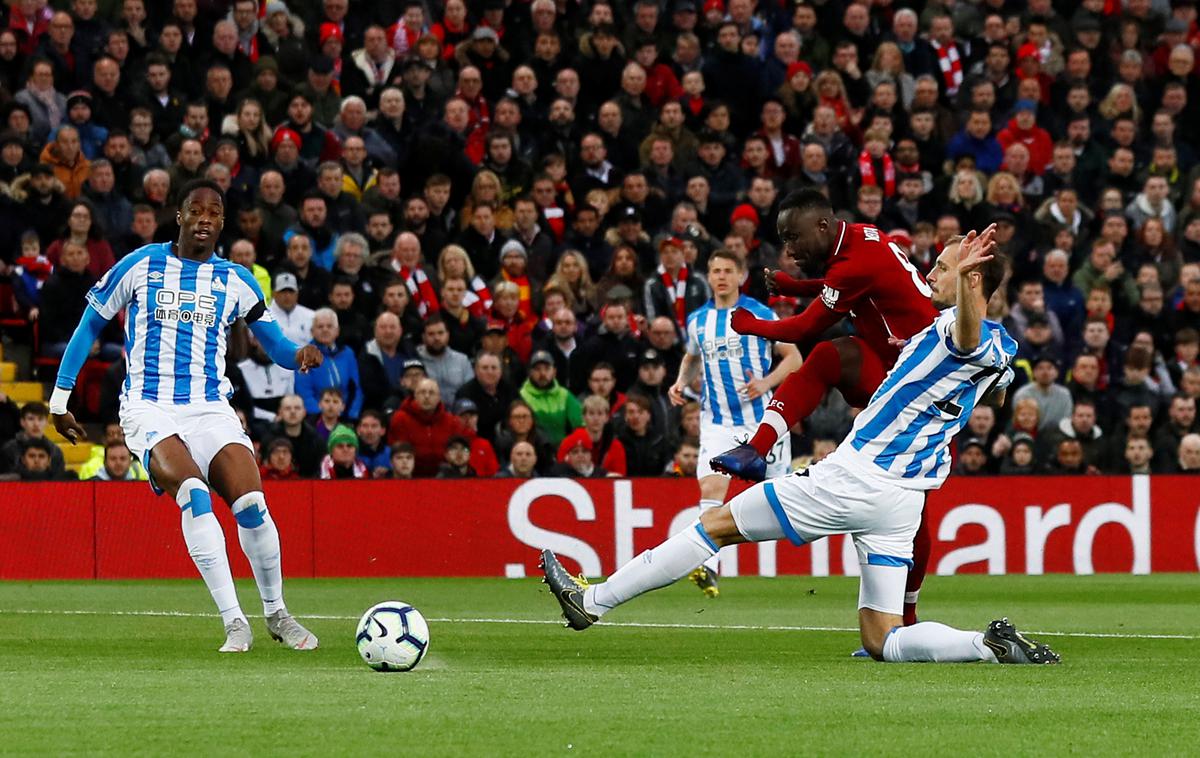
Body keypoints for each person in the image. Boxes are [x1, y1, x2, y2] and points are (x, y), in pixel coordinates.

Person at [542, 228, 1062, 666]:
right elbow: (981, 354)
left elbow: (965, 335)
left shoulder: (957, 328)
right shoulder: (1003, 349)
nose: (930, 274)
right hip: (901, 500)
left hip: (855, 478)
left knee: (714, 525)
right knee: (881, 638)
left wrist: (969, 284)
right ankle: (986, 644)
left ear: (972, 281)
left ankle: (591, 601)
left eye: (944, 268)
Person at [48, 179, 322, 653]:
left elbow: (272, 342)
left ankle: (277, 613)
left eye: (213, 212)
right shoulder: (140, 264)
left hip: (211, 406)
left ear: (222, 221)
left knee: (252, 506)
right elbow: (90, 324)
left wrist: (298, 354)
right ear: (179, 216)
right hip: (149, 407)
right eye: (195, 210)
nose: (204, 218)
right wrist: (60, 398)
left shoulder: (236, 279)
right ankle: (235, 622)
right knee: (194, 495)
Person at [710, 188, 938, 625]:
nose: (790, 250)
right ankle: (755, 449)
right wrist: (798, 285)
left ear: (822, 226)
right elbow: (843, 286)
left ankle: (907, 616)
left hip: (916, 388)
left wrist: (751, 325)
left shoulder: (856, 261)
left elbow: (805, 326)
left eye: (794, 239)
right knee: (830, 357)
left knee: (915, 508)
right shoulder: (860, 239)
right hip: (891, 363)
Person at [666, 248, 801, 597]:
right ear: (708, 277)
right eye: (715, 271)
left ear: (740, 276)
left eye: (728, 270)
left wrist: (765, 383)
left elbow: (794, 358)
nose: (721, 276)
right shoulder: (698, 320)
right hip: (717, 422)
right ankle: (709, 568)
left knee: (784, 501)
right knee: (711, 488)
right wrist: (681, 381)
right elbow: (692, 356)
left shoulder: (759, 314)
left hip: (762, 423)